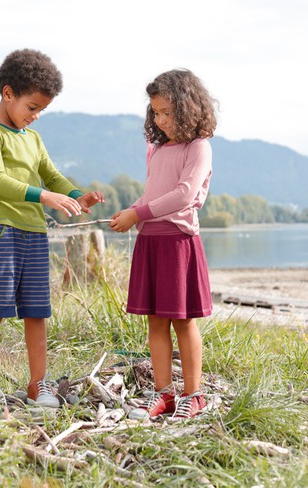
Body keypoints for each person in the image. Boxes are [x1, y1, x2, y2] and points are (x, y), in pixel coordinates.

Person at [0, 49, 104, 413]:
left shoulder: (33, 138)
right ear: (8, 93)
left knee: (36, 311)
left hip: (34, 234)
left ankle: (37, 384)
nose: (36, 115)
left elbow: (53, 175)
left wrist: (78, 195)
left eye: (42, 109)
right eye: (32, 107)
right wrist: (45, 196)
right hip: (3, 230)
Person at [109, 69, 217, 420]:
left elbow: (184, 195)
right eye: (156, 112)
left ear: (188, 109)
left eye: (168, 112)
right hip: (150, 241)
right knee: (155, 323)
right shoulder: (156, 149)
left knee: (183, 321)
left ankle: (193, 395)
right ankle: (164, 394)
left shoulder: (199, 147)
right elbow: (154, 192)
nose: (161, 119)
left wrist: (139, 211)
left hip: (178, 243)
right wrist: (132, 214)